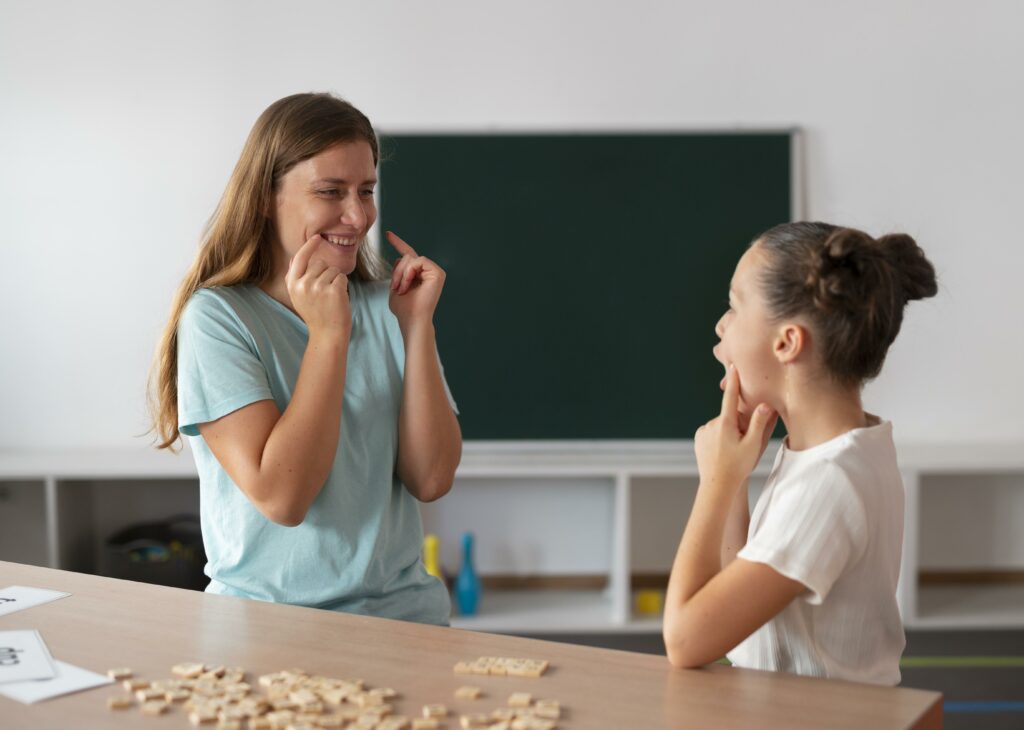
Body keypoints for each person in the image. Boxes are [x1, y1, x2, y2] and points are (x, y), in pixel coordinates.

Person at [150, 92, 461, 625]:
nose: (358, 214)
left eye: (366, 190)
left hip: (406, 623)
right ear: (267, 196)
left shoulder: (388, 304)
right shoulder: (217, 319)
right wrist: (328, 336)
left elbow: (431, 479)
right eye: (330, 191)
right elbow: (283, 498)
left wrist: (416, 329)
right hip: (271, 627)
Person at [663, 221, 937, 684]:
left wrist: (716, 480)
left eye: (733, 307)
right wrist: (734, 482)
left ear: (787, 342)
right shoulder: (836, 454)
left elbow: (686, 640)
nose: (720, 325)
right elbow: (736, 611)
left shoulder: (830, 483)